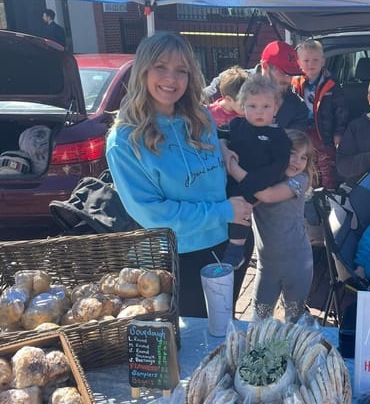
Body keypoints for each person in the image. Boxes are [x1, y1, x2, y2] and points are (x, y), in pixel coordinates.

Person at [105, 31, 254, 318]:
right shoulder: (124, 140)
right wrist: (224, 211)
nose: (171, 79)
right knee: (196, 345)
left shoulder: (200, 117)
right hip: (182, 258)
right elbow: (154, 216)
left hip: (232, 242)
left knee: (224, 329)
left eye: (181, 70)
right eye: (161, 67)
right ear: (143, 70)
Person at [221, 74, 292, 269]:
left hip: (259, 181)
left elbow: (278, 166)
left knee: (241, 207)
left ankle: (236, 249)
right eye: (252, 106)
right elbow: (219, 135)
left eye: (265, 107)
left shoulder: (278, 137)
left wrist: (247, 180)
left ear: (275, 108)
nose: (259, 112)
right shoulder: (236, 125)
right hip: (228, 181)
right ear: (242, 107)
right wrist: (224, 148)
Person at [250, 129, 318, 322]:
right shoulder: (263, 179)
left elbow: (268, 196)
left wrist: (234, 169)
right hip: (267, 265)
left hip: (298, 262)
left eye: (304, 157)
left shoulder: (300, 180)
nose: (298, 161)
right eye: (292, 153)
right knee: (258, 319)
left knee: (293, 320)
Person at [292, 39, 348, 189]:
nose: (311, 64)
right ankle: (308, 191)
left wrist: (339, 133)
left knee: (326, 164)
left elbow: (340, 111)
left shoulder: (331, 84)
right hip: (302, 130)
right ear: (299, 62)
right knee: (305, 162)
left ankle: (328, 192)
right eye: (306, 60)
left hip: (324, 131)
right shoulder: (295, 83)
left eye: (315, 60)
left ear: (323, 61)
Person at [255, 40, 308, 131]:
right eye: (283, 73)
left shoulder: (298, 107)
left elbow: (295, 142)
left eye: (291, 74)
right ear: (265, 66)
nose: (287, 79)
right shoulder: (238, 87)